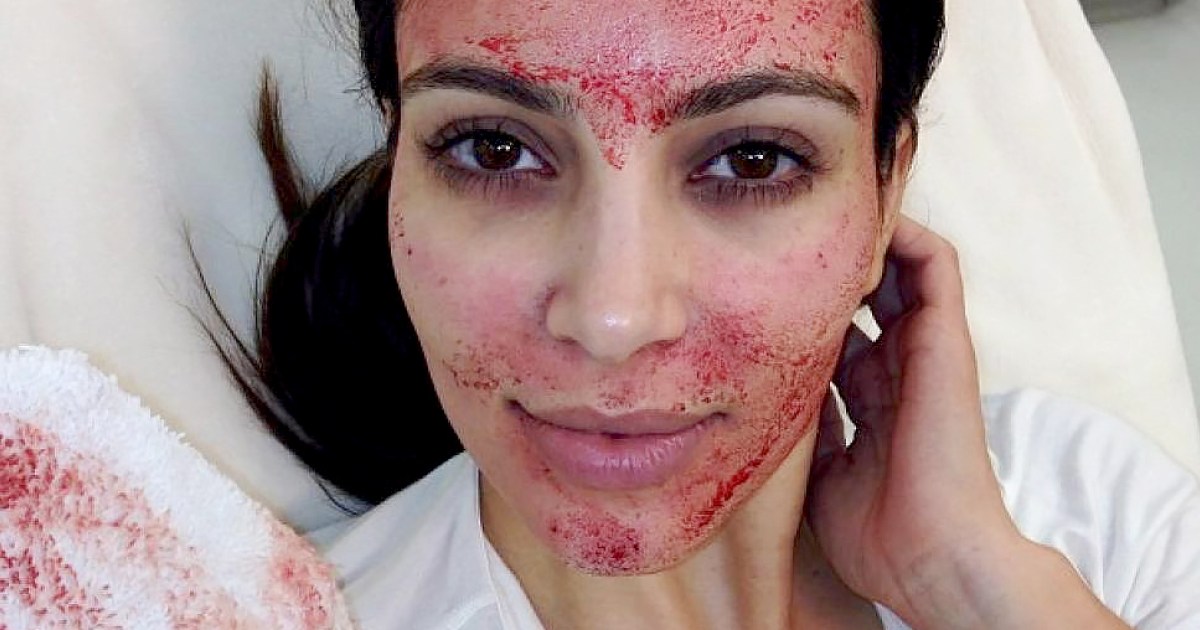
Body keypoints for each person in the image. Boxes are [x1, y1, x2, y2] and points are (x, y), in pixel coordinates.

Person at [220, 0, 1200, 627]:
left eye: (752, 159)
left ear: (885, 195)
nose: (613, 317)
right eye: (494, 149)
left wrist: (970, 582)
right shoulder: (285, 616)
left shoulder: (1091, 519)